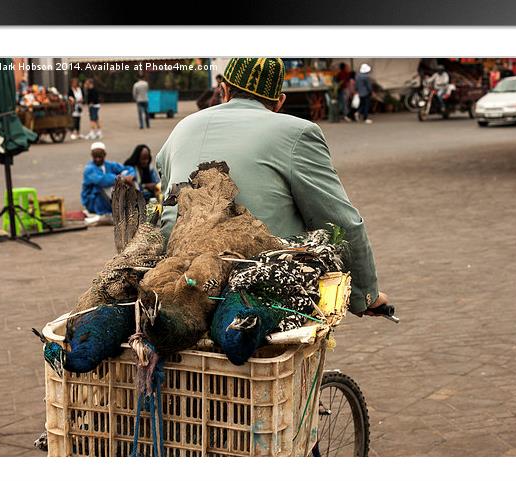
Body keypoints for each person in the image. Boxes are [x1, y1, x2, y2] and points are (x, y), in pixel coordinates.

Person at [155, 57, 389, 317]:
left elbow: (166, 188)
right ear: (280, 102)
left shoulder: (182, 127)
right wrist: (365, 295)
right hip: (258, 286)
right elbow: (339, 219)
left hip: (172, 280)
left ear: (224, 91)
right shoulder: (298, 131)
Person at [81, 142, 136, 215]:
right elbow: (102, 180)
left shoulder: (109, 165)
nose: (97, 159)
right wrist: (122, 179)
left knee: (125, 173)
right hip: (93, 201)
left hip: (107, 198)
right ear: (92, 156)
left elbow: (129, 169)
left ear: (104, 155)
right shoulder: (89, 169)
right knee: (105, 185)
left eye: (100, 157)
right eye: (95, 157)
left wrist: (130, 176)